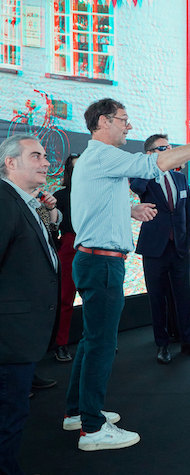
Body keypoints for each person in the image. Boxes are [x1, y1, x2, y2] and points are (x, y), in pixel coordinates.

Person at [65, 98, 190, 451]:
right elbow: (156, 163)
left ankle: (78, 412)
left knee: (92, 340)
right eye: (123, 120)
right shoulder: (104, 154)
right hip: (101, 263)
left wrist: (129, 209)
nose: (128, 126)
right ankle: (92, 428)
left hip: (94, 260)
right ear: (103, 121)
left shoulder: (94, 159)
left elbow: (92, 202)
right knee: (101, 344)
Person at [0, 134, 62, 475]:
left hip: (18, 333)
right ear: (11, 164)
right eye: (36, 156)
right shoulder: (4, 202)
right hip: (8, 336)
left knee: (11, 414)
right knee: (8, 417)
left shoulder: (22, 203)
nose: (45, 161)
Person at [130, 134, 190, 365]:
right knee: (157, 298)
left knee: (184, 295)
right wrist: (151, 168)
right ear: (150, 154)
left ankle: (188, 341)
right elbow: (136, 188)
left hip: (181, 247)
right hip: (155, 248)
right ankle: (162, 344)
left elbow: (187, 211)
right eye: (163, 148)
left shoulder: (179, 178)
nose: (170, 151)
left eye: (170, 147)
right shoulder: (143, 177)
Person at [53, 154, 80, 362]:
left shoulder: (96, 192)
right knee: (65, 299)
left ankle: (95, 339)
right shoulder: (60, 196)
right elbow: (50, 225)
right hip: (69, 246)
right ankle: (60, 344)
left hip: (93, 245)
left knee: (95, 297)